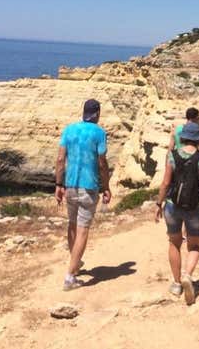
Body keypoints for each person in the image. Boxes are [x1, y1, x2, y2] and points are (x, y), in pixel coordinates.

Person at [154, 122, 199, 305]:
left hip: (173, 205)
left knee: (174, 242)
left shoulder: (172, 156)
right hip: (194, 206)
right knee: (194, 245)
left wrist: (159, 203)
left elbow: (165, 183)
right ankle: (188, 275)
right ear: (198, 139)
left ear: (182, 137)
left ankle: (176, 283)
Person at [54, 99, 112, 291]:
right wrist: (106, 187)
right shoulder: (99, 133)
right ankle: (70, 277)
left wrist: (58, 184)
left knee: (72, 225)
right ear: (97, 113)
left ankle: (75, 263)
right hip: (89, 186)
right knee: (83, 230)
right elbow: (102, 163)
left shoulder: (69, 130)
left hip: (70, 184)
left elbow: (61, 159)